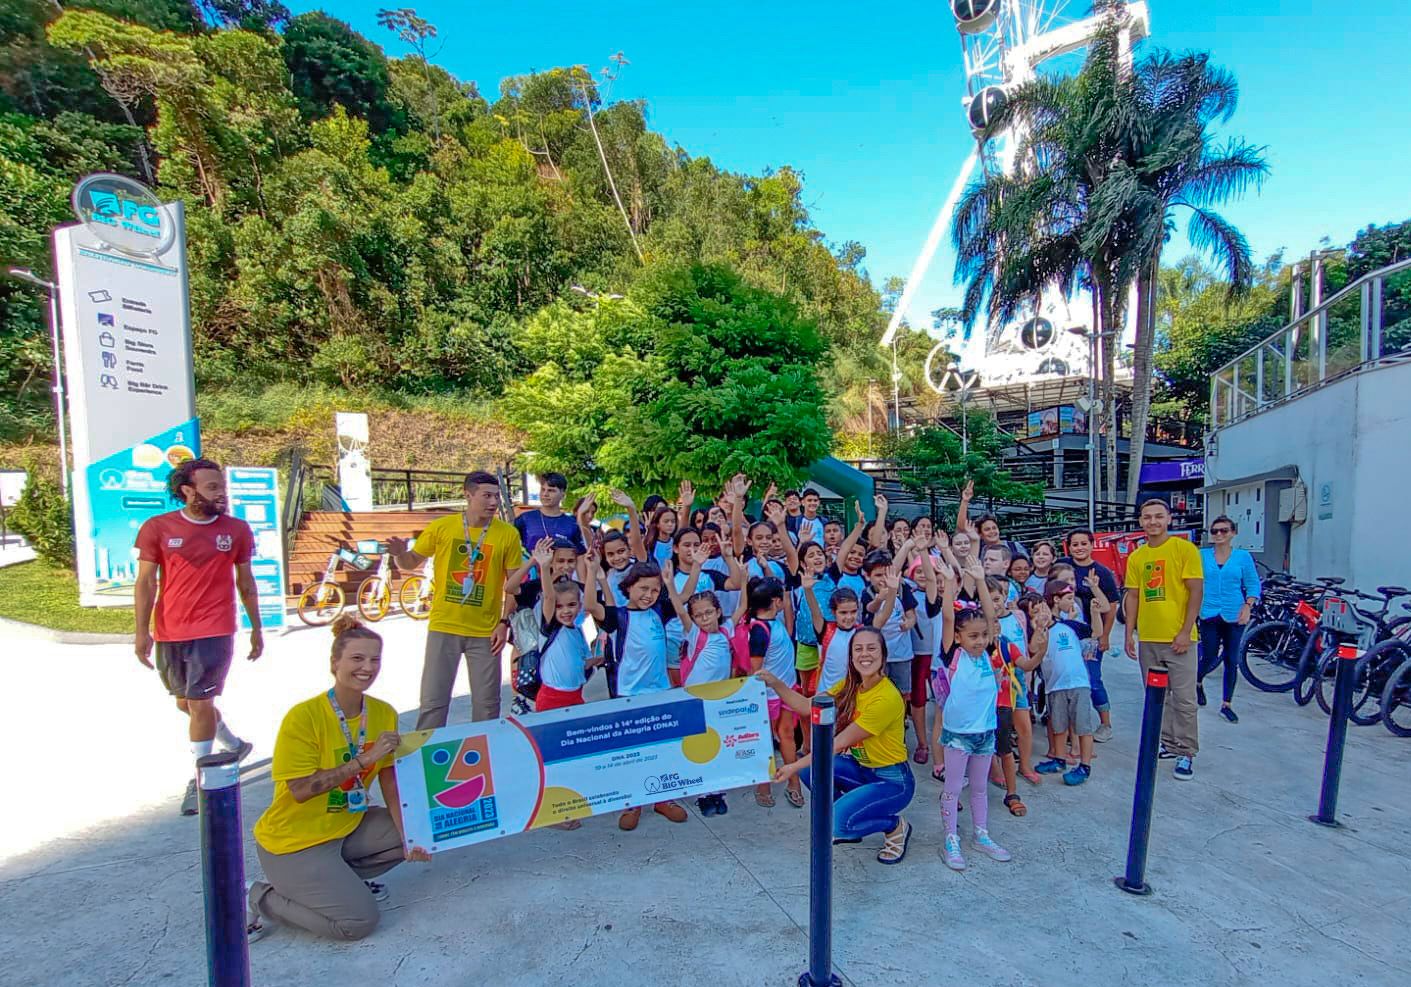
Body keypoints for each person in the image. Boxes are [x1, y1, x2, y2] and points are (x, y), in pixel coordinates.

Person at [247, 617, 430, 942]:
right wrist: (363, 761)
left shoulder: (384, 712)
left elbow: (388, 777)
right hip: (294, 843)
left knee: (421, 829)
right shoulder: (304, 717)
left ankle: (340, 883)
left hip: (346, 826)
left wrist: (409, 834)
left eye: (375, 659)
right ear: (335, 663)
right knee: (357, 922)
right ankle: (256, 896)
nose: (367, 667)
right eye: (357, 658)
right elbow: (301, 790)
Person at [134, 457, 262, 816]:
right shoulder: (157, 528)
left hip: (215, 629)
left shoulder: (237, 530)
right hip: (170, 630)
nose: (221, 493)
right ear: (187, 491)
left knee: (201, 704)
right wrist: (141, 631)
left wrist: (256, 628)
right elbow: (145, 582)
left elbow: (246, 582)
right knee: (186, 704)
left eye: (222, 486)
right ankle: (234, 745)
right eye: (212, 487)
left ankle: (200, 778)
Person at [761, 627, 916, 864]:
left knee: (834, 823)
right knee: (810, 770)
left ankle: (894, 826)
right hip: (862, 770)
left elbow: (836, 744)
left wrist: (790, 767)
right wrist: (775, 683)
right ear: (851, 657)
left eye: (872, 648)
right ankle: (850, 815)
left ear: (883, 655)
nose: (865, 654)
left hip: (892, 781)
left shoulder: (886, 698)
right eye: (858, 649)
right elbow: (806, 706)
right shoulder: (851, 686)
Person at [388, 471, 523, 728]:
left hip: (485, 631)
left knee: (487, 704)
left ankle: (483, 747)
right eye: (486, 496)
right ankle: (428, 748)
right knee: (433, 701)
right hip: (444, 626)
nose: (493, 502)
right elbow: (410, 562)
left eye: (496, 496)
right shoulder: (442, 528)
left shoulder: (507, 534)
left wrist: (504, 622)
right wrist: (398, 554)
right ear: (468, 495)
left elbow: (513, 585)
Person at [598, 560, 691, 829]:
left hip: (659, 691)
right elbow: (592, 606)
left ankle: (662, 799)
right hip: (629, 694)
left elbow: (683, 598)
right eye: (643, 588)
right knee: (634, 751)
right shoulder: (618, 616)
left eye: (654, 590)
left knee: (661, 747)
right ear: (628, 587)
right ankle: (633, 802)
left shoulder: (659, 611)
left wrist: (672, 582)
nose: (649, 595)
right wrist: (595, 575)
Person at [936, 555, 1012, 871]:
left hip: (985, 734)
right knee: (953, 789)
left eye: (983, 636)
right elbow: (948, 617)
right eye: (973, 636)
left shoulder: (988, 653)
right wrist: (949, 583)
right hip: (958, 736)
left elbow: (991, 618)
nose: (980, 641)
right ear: (958, 638)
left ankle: (981, 834)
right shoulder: (954, 655)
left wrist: (981, 580)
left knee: (980, 788)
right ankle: (950, 838)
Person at [1124, 499, 1204, 780]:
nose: (1153, 522)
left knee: (1184, 699)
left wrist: (1185, 631)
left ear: (1169, 519)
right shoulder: (1137, 556)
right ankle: (1168, 743)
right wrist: (1129, 633)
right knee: (1158, 697)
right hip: (1149, 638)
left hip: (1179, 639)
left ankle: (1186, 751)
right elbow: (1133, 596)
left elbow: (1195, 591)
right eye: (1147, 517)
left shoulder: (1184, 550)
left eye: (1159, 516)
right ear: (1141, 521)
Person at [1026, 582, 1097, 786]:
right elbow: (1033, 649)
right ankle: (1059, 759)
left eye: (1043, 609)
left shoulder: (1069, 625)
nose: (1042, 615)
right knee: (1058, 726)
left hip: (1078, 683)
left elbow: (1094, 631)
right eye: (1035, 613)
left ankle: (1085, 765)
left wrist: (1095, 612)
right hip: (1054, 686)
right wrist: (1038, 629)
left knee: (1082, 726)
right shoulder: (1036, 634)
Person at [744, 576, 805, 808]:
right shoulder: (759, 631)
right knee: (765, 740)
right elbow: (756, 670)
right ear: (775, 601)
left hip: (786, 690)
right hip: (767, 697)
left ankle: (794, 781)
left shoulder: (775, 623)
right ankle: (763, 784)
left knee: (787, 735)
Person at [530, 540, 608, 717]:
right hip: (551, 698)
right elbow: (549, 597)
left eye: (571, 605)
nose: (566, 611)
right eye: (559, 607)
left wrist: (599, 659)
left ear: (579, 606)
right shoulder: (549, 627)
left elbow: (583, 662)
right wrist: (544, 567)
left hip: (576, 696)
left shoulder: (578, 632)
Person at [1198, 516, 1261, 723]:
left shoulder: (1242, 557)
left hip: (1234, 612)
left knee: (1231, 659)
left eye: (1224, 530)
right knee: (1209, 655)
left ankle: (1227, 704)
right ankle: (1198, 681)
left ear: (1233, 533)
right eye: (1214, 531)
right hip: (1209, 611)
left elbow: (1253, 584)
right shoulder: (1202, 555)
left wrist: (1248, 605)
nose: (1219, 535)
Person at [1060, 529, 1121, 742]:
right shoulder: (1063, 566)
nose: (1079, 548)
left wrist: (1105, 636)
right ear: (1069, 547)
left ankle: (1105, 723)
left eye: (1084, 543)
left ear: (1092, 545)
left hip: (1091, 636)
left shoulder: (1102, 572)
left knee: (1092, 679)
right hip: (1066, 634)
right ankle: (1068, 727)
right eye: (1075, 544)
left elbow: (1111, 607)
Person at [514, 472, 587, 552]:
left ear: (563, 494)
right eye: (543, 489)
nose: (545, 494)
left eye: (551, 490)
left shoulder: (572, 523)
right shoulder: (525, 519)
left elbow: (581, 553)